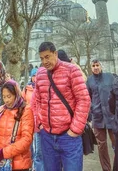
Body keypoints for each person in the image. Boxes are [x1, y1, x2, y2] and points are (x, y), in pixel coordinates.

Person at [32, 42, 91, 171]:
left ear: (55, 54)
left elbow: (84, 100)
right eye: (42, 58)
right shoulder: (40, 74)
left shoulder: (71, 70)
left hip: (68, 136)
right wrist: (40, 124)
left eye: (47, 57)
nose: (45, 61)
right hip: (47, 136)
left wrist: (75, 129)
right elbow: (36, 101)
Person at [0, 81, 34, 171]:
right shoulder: (1, 109)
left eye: (9, 96)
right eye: (4, 97)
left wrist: (4, 152)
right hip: (0, 163)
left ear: (16, 94)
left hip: (19, 164)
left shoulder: (26, 110)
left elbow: (27, 139)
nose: (6, 100)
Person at [86, 59, 115, 171]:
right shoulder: (89, 81)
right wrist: (90, 116)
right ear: (91, 67)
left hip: (111, 116)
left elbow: (116, 94)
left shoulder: (110, 77)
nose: (96, 67)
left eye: (97, 65)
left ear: (101, 66)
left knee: (116, 143)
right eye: (93, 65)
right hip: (97, 118)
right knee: (102, 146)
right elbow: (87, 99)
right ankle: (106, 169)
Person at [22, 67, 43, 171]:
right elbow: (22, 102)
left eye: (37, 75)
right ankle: (30, 165)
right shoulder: (27, 89)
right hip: (28, 120)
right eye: (34, 76)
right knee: (29, 145)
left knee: (38, 148)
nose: (35, 78)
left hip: (39, 122)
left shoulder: (42, 87)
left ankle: (37, 167)